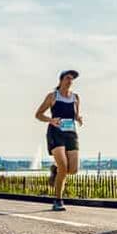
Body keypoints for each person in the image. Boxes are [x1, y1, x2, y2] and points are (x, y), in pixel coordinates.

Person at [35, 70, 83, 211]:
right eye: (68, 78)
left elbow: (75, 114)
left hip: (71, 133)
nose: (70, 81)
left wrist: (78, 118)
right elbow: (38, 114)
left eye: (72, 79)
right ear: (61, 80)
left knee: (73, 169)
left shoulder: (76, 98)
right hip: (56, 132)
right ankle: (58, 200)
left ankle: (55, 170)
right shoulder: (52, 96)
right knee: (64, 166)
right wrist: (50, 120)